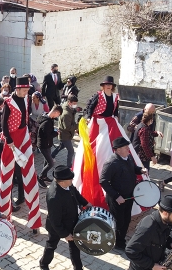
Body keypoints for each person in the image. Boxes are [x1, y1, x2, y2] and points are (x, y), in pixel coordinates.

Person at [78, 76, 144, 210]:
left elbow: (115, 111)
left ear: (112, 86)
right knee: (93, 150)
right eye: (106, 84)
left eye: (110, 85)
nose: (108, 86)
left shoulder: (115, 97)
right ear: (103, 86)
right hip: (98, 125)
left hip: (111, 124)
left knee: (122, 146)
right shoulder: (98, 95)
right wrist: (88, 119)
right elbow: (90, 108)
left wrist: (115, 120)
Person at [0, 76, 41, 232]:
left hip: (24, 136)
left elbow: (25, 118)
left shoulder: (27, 98)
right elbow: (3, 124)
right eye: (24, 90)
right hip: (11, 140)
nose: (26, 92)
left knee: (30, 175)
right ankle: (4, 217)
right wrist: (9, 140)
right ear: (17, 89)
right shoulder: (8, 103)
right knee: (6, 177)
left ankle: (35, 221)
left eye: (27, 90)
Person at [39, 165, 93, 270]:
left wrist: (85, 203)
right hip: (57, 227)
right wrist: (65, 234)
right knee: (51, 245)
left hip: (72, 221)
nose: (72, 180)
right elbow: (55, 220)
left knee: (75, 246)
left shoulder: (67, 184)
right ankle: (44, 264)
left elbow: (75, 193)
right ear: (62, 181)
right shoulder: (54, 197)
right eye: (70, 179)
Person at [99, 137, 148, 250]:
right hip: (117, 198)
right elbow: (103, 181)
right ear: (118, 150)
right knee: (119, 222)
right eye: (125, 147)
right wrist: (116, 196)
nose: (128, 149)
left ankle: (121, 240)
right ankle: (118, 244)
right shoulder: (111, 162)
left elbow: (134, 168)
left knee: (126, 219)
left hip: (129, 196)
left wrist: (141, 170)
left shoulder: (128, 157)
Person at [125, 195, 172, 270]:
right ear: (165, 212)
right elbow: (130, 250)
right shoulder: (148, 228)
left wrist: (171, 244)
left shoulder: (165, 221)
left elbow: (164, 237)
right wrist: (153, 266)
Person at [37, 105, 63, 188]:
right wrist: (56, 133)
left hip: (47, 144)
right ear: (56, 112)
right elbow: (47, 135)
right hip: (43, 145)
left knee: (46, 161)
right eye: (58, 115)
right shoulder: (47, 123)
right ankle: (40, 177)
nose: (57, 116)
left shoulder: (47, 118)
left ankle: (44, 176)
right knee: (51, 163)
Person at [51, 94, 78, 168]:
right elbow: (67, 127)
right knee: (71, 151)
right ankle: (69, 166)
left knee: (61, 146)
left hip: (63, 133)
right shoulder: (66, 114)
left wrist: (75, 110)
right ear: (69, 102)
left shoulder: (66, 106)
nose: (75, 105)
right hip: (65, 134)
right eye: (74, 104)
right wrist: (77, 125)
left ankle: (52, 156)